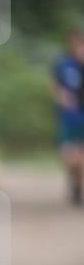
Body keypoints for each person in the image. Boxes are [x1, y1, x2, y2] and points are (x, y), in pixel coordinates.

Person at [52, 29, 84, 206]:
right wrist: (60, 97)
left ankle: (78, 188)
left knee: (81, 156)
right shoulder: (62, 64)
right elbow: (54, 84)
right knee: (69, 155)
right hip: (69, 115)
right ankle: (74, 181)